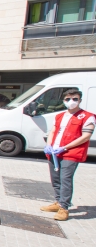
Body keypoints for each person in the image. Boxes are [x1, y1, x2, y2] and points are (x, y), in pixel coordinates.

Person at [40, 88, 95, 221]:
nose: (71, 101)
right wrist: (49, 145)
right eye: (68, 99)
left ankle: (64, 208)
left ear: (80, 100)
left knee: (66, 180)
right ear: (63, 101)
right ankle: (58, 202)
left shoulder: (87, 116)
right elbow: (53, 131)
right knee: (56, 179)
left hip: (71, 153)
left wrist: (65, 147)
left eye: (75, 99)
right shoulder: (59, 116)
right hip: (54, 153)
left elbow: (86, 136)